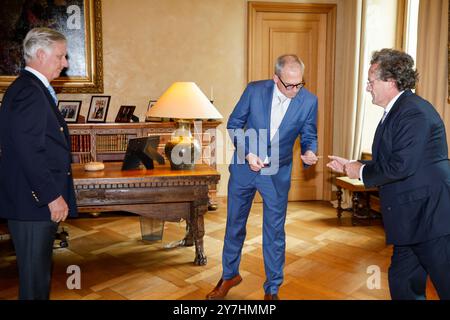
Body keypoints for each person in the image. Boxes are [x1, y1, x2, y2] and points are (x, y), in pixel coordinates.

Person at [327, 48, 450, 300]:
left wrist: (359, 170)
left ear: (390, 82)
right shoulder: (397, 110)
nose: (368, 87)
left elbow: (401, 166)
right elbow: (391, 160)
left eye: (371, 81)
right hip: (411, 217)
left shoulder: (414, 112)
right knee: (402, 283)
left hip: (430, 217)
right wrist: (353, 164)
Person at [206, 54, 319, 300]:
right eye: (289, 85)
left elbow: (309, 133)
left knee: (274, 232)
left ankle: (273, 289)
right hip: (245, 169)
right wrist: (247, 154)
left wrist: (310, 151)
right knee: (234, 224)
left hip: (277, 175)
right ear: (275, 78)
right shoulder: (255, 90)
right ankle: (229, 276)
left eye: (299, 84)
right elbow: (234, 124)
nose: (294, 90)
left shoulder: (309, 101)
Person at [0, 27, 77, 300]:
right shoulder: (29, 92)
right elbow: (29, 151)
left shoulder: (30, 88)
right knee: (34, 282)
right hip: (33, 202)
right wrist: (51, 196)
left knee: (37, 277)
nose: (65, 63)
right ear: (41, 55)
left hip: (32, 201)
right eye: (61, 56)